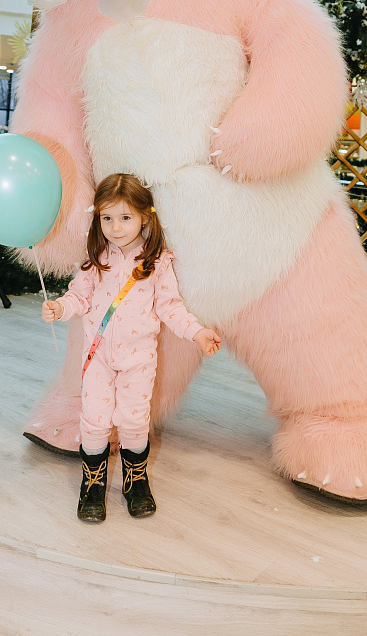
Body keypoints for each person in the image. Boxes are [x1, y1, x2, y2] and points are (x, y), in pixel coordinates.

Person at [42, 172, 221, 522]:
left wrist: (198, 332)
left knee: (134, 420)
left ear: (144, 217)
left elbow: (170, 307)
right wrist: (60, 307)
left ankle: (135, 482)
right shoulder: (96, 258)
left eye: (125, 217)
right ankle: (93, 485)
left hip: (138, 361)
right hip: (97, 360)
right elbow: (79, 296)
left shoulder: (157, 262)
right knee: (94, 420)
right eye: (107, 218)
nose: (115, 227)